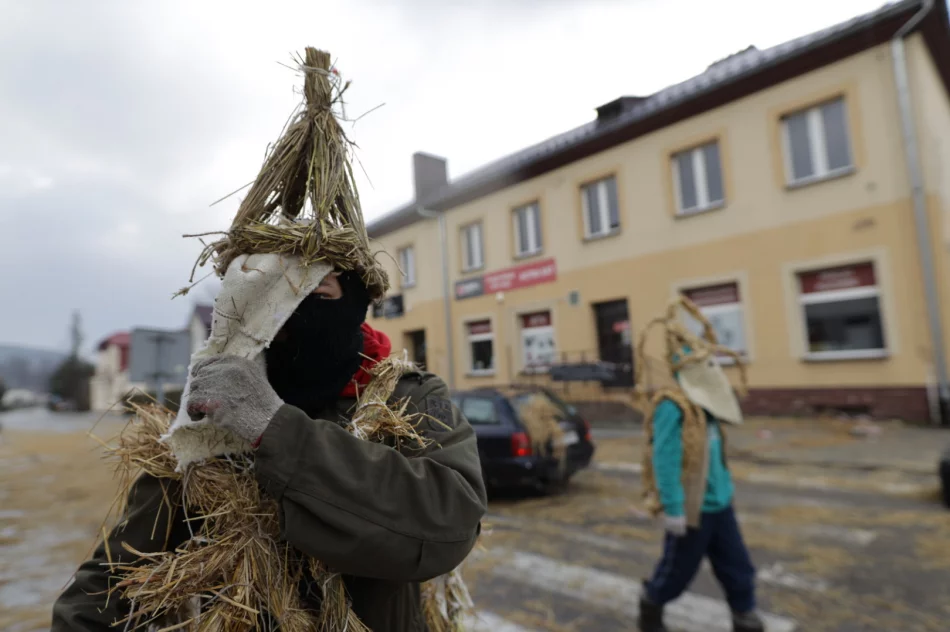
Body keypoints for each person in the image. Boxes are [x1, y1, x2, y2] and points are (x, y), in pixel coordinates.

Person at [52, 270, 488, 631]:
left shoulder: (406, 396)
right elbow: (119, 575)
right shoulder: (213, 411)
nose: (300, 308)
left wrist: (274, 428)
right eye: (280, 290)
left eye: (320, 290)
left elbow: (448, 523)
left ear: (354, 298)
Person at [635, 299, 764, 632]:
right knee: (676, 571)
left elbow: (716, 456)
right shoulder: (671, 406)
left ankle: (744, 615)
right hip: (692, 511)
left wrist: (727, 489)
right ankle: (651, 606)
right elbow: (665, 459)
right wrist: (674, 508)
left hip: (721, 505)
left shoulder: (708, 407)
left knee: (738, 566)